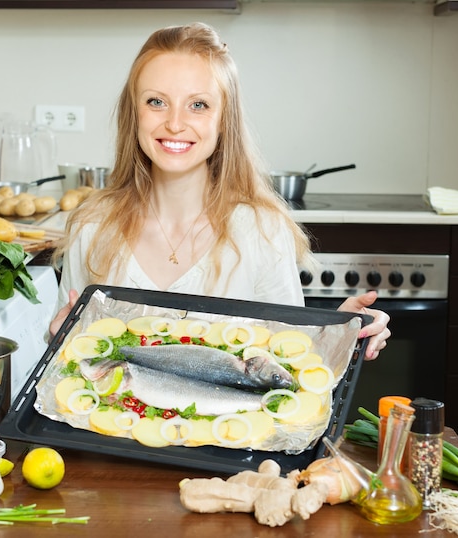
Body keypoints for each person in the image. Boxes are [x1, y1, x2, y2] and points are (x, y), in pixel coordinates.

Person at [50, 22, 390, 360]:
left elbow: (286, 363)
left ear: (224, 118)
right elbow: (66, 363)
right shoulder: (92, 225)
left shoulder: (263, 231)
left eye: (198, 105)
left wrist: (338, 337)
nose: (175, 123)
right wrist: (60, 339)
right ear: (133, 112)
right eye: (156, 101)